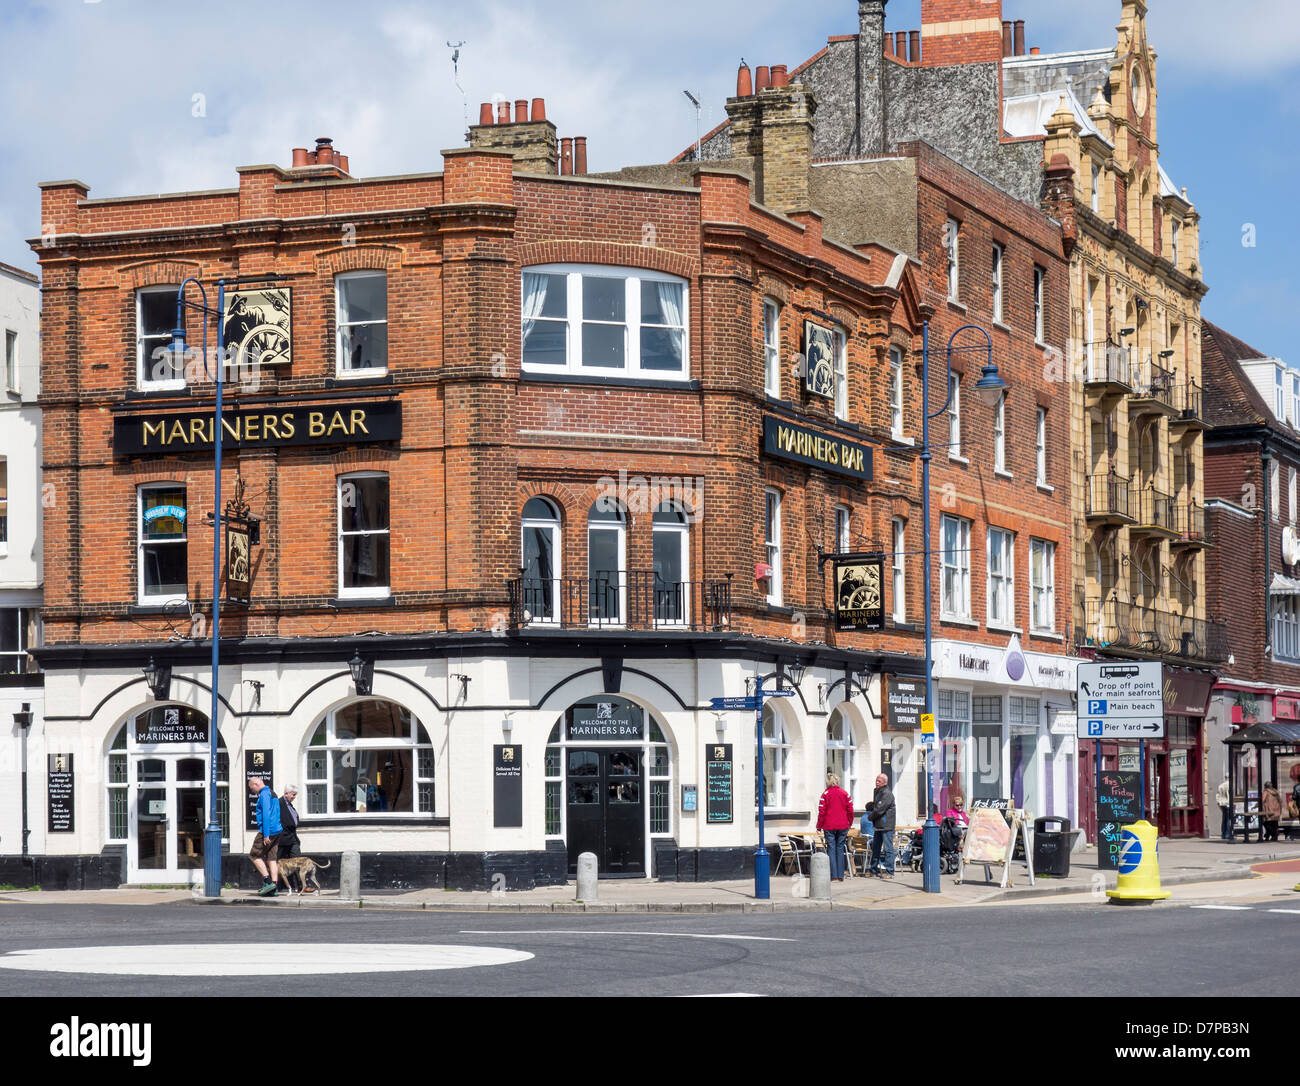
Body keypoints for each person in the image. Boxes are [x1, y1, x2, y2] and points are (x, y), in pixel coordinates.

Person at [816, 772, 854, 882]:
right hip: (843, 825)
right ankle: (841, 875)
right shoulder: (845, 793)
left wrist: (819, 826)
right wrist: (849, 823)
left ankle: (833, 875)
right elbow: (850, 810)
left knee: (831, 849)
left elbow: (821, 812)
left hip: (829, 825)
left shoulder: (825, 794)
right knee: (840, 848)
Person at [247, 776, 282, 896]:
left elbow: (266, 815)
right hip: (277, 830)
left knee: (254, 855)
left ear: (256, 784)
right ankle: (274, 888)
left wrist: (266, 835)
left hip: (268, 831)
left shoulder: (264, 795)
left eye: (252, 789)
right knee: (271, 858)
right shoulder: (273, 793)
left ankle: (268, 882)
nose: (253, 792)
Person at [864, 773, 897, 879]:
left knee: (888, 848)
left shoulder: (887, 793)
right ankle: (873, 870)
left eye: (879, 781)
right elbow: (876, 806)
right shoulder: (877, 792)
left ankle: (890, 871)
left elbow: (879, 809)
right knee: (876, 848)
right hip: (878, 824)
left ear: (885, 782)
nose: (877, 782)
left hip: (886, 825)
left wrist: (870, 817)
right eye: (876, 780)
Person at [278, 784, 302, 860]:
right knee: (280, 863)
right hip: (283, 839)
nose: (294, 797)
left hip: (293, 838)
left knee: (297, 861)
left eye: (295, 795)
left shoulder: (289, 805)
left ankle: (296, 872)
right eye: (293, 795)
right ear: (286, 793)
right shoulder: (279, 803)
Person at [1216, 777, 1232, 841]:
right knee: (1228, 819)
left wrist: (1219, 805)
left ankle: (1223, 834)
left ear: (1225, 778)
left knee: (1224, 819)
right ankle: (1227, 834)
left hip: (1222, 804)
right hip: (1228, 803)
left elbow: (1217, 796)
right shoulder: (1231, 785)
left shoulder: (1220, 786)